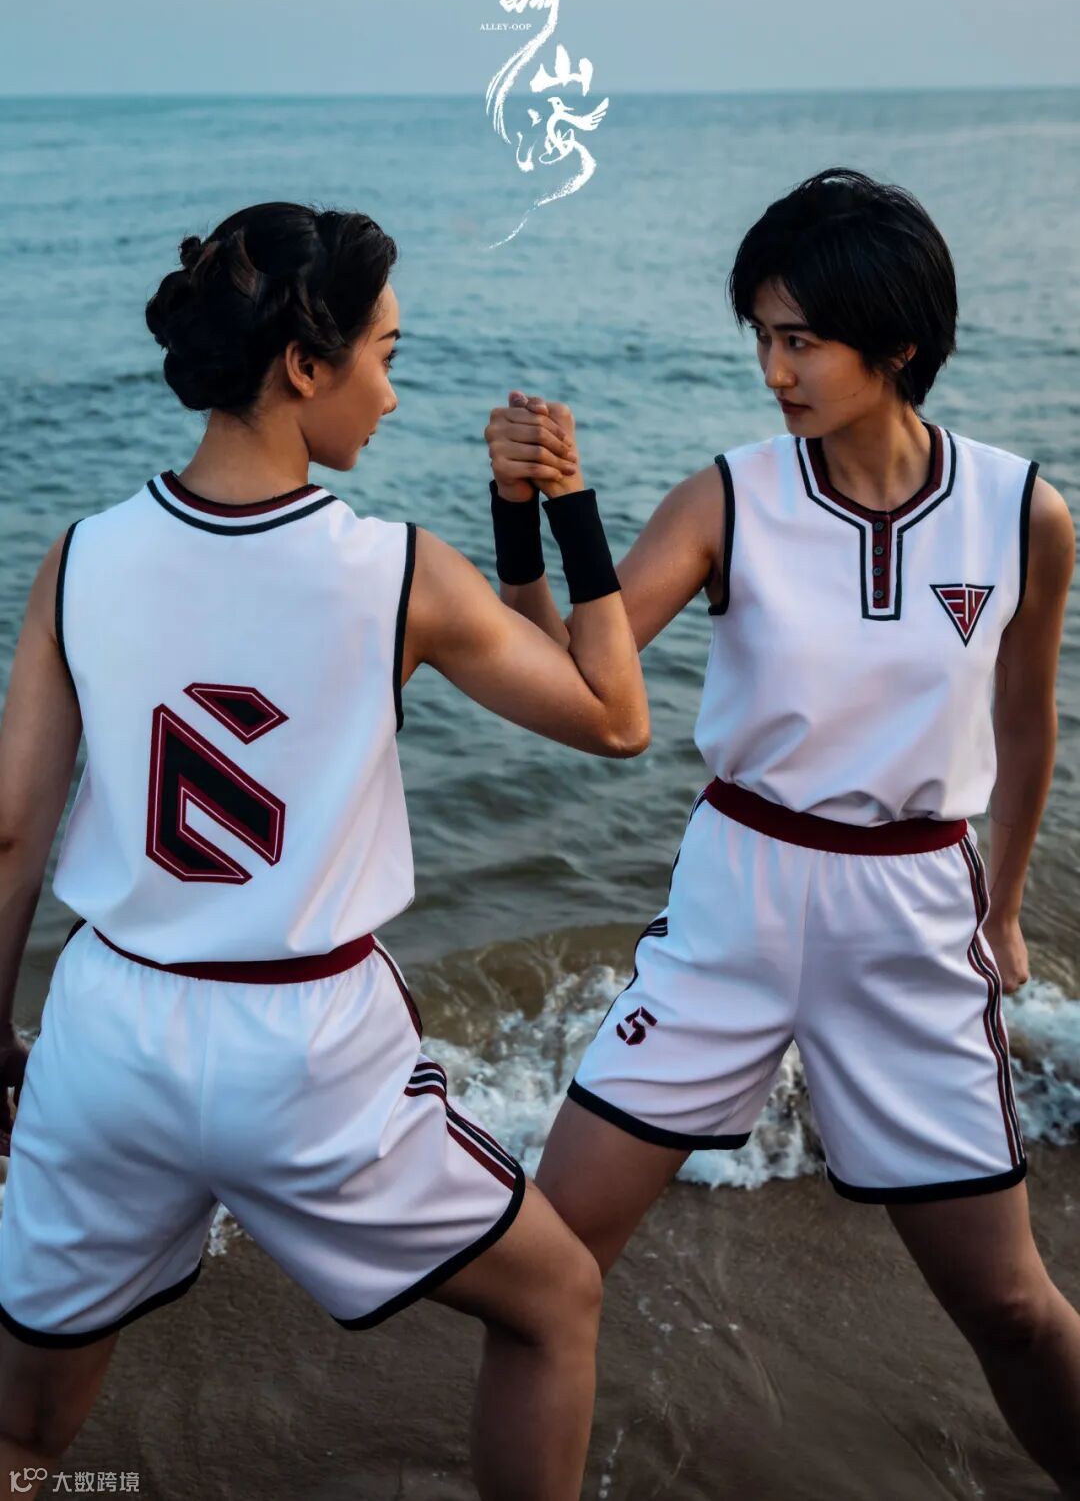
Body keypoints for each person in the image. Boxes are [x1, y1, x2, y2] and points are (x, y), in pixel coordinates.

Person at [0, 201, 649, 1501]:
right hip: (305, 1054)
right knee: (555, 1304)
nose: (392, 395)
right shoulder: (396, 571)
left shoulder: (81, 556)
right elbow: (616, 717)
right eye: (385, 357)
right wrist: (555, 508)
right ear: (305, 364)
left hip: (109, 1033)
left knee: (26, 1435)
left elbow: (14, 830)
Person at [485, 168, 1080, 1494]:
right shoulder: (729, 498)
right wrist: (527, 515)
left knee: (1009, 1306)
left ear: (899, 342)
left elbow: (1027, 729)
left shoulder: (1020, 512)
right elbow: (571, 676)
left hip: (915, 921)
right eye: (762, 335)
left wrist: (1002, 911)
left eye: (800, 339)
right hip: (737, 903)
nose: (773, 370)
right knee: (548, 1264)